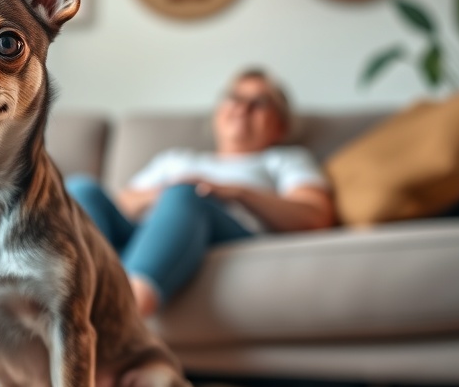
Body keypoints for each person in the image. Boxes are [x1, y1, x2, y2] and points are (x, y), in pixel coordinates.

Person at [66, 68, 335, 317]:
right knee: (80, 188)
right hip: (148, 230)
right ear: (218, 113)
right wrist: (163, 193)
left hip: (226, 231)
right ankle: (72, 300)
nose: (242, 108)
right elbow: (122, 202)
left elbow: (314, 215)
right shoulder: (176, 160)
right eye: (234, 98)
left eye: (259, 103)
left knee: (184, 194)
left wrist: (235, 193)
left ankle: (124, 315)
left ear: (280, 127)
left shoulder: (284, 160)